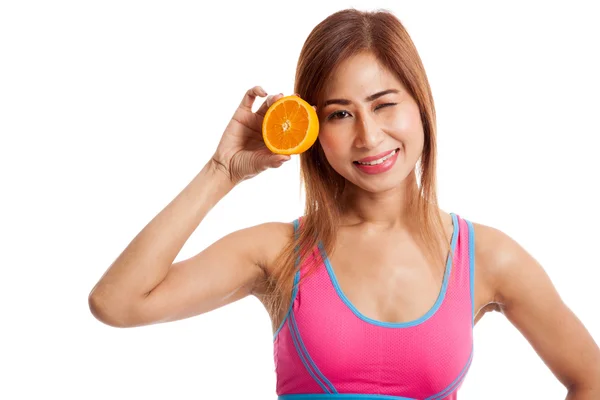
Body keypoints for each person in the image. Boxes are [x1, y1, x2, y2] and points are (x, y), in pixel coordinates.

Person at [88, 8, 600, 400]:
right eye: (339, 114)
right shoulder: (277, 251)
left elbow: (589, 379)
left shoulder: (487, 257)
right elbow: (117, 302)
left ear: (420, 106)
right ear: (312, 130)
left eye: (384, 104)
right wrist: (221, 171)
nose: (369, 136)